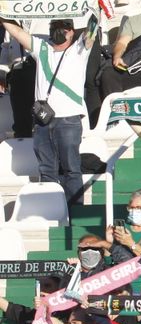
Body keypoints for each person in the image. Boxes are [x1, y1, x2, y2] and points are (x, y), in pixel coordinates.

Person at [2, 17, 91, 199]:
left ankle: (75, 210)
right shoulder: (42, 49)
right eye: (55, 27)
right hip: (43, 120)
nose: (59, 31)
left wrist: (97, 9)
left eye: (64, 28)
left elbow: (92, 31)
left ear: (72, 32)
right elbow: (17, 32)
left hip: (69, 119)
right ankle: (52, 207)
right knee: (46, 170)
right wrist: (2, 14)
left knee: (71, 169)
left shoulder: (79, 49)